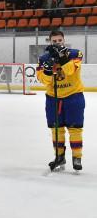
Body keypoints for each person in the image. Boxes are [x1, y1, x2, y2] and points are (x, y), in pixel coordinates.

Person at [36, 30, 84, 171]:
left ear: (64, 40)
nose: (57, 43)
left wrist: (62, 58)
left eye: (59, 41)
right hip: (53, 98)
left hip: (73, 96)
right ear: (50, 42)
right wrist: (48, 71)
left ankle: (77, 158)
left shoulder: (75, 54)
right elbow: (43, 80)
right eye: (54, 41)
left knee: (75, 128)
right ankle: (59, 157)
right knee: (57, 129)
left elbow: (70, 71)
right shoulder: (44, 58)